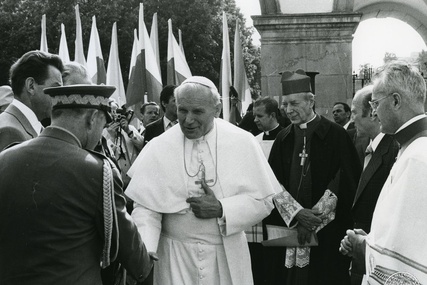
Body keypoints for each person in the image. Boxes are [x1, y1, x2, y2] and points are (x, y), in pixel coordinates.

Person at [125, 76, 281, 285]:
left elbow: (264, 200)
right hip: (173, 255)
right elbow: (146, 206)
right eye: (182, 110)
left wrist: (222, 208)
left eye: (197, 111)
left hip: (226, 255)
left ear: (216, 110)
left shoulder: (243, 142)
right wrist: (146, 246)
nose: (188, 120)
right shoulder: (159, 146)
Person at [0, 84, 154, 284]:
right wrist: (145, 265)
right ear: (91, 119)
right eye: (103, 124)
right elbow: (128, 248)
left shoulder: (5, 158)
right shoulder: (98, 170)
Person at [264, 69, 361, 285]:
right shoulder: (283, 138)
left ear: (311, 101)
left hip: (327, 234)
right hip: (290, 230)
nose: (289, 110)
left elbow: (344, 180)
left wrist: (313, 220)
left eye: (295, 104)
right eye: (286, 104)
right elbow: (271, 183)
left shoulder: (337, 135)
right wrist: (297, 214)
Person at [340, 61, 427, 284]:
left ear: (396, 101)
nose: (375, 112)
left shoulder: (418, 158)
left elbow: (410, 256)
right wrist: (371, 241)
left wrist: (363, 247)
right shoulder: (412, 148)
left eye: (376, 103)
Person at [347, 85, 399, 285]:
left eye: (354, 113)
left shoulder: (394, 150)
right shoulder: (364, 146)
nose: (352, 120)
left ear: (373, 113)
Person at [0, 50, 63, 151]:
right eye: (55, 87)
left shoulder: (25, 125)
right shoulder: (10, 132)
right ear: (31, 86)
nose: (59, 95)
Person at [104, 101, 144, 187]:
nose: (115, 115)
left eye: (117, 112)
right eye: (112, 112)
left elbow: (142, 146)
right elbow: (105, 154)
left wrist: (128, 131)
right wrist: (112, 138)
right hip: (115, 182)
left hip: (134, 181)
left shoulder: (130, 128)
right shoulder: (103, 132)